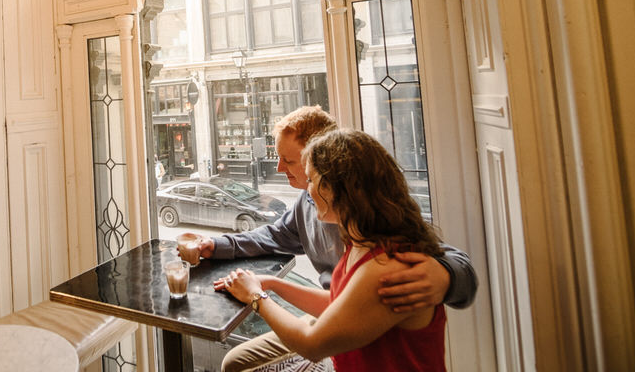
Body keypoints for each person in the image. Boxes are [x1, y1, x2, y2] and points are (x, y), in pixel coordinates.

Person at [184, 106, 476, 372]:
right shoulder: (351, 234)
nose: (279, 169)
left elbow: (315, 344)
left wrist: (445, 276)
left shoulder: (385, 254)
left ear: (336, 180)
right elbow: (274, 237)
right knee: (235, 363)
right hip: (334, 322)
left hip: (334, 339)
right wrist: (242, 262)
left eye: (290, 161)